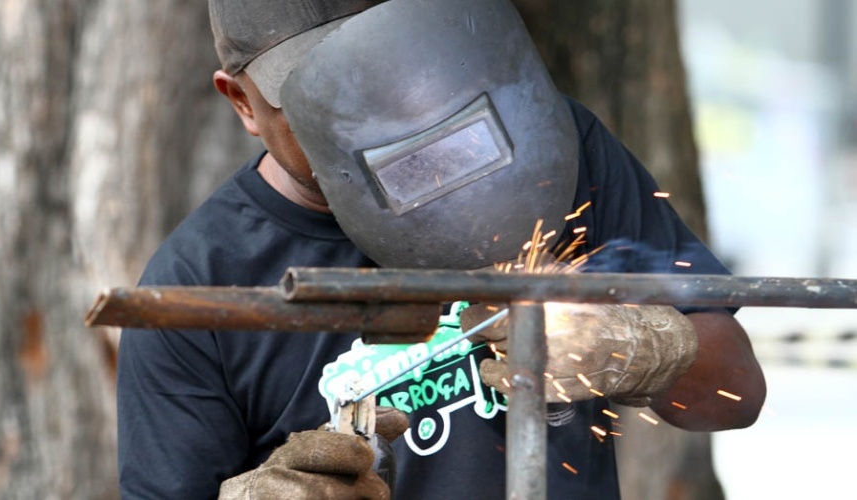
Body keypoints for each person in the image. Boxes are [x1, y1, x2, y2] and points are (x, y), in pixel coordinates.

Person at [116, 0, 767, 498]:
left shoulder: (550, 153)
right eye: (318, 95)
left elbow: (736, 392)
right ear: (243, 104)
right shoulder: (200, 288)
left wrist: (638, 350)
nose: (377, 115)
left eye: (392, 68)